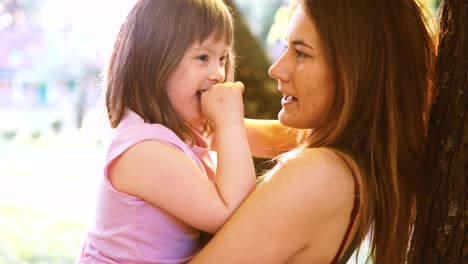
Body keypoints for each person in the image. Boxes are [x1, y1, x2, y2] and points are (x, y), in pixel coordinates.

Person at [189, 0, 436, 263]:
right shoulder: (353, 158)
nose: (277, 70)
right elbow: (231, 134)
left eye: (301, 53)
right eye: (286, 47)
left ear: (354, 72)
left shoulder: (320, 173)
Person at [76, 0, 256, 263]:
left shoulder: (179, 132)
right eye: (203, 57)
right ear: (153, 61)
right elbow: (232, 218)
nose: (218, 73)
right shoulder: (146, 150)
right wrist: (231, 125)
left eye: (222, 58)